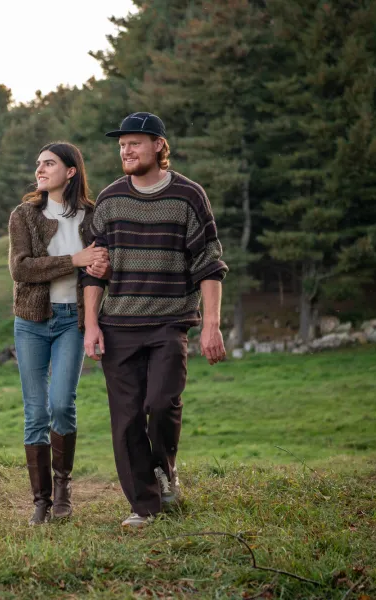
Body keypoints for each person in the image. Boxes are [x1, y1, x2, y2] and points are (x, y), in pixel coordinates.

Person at [81, 112, 228, 528]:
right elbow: (92, 269)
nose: (126, 151)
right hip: (118, 325)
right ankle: (144, 506)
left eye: (135, 143)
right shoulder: (110, 199)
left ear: (159, 145)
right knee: (126, 419)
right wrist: (91, 324)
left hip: (169, 322)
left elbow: (209, 264)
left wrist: (212, 324)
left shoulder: (189, 196)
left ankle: (164, 471)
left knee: (162, 404)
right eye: (122, 145)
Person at [8, 141, 106, 525]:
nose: (40, 169)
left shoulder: (93, 217)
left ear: (70, 171)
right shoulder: (24, 215)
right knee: (36, 411)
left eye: (49, 163)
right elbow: (21, 268)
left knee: (62, 404)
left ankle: (63, 486)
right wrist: (74, 260)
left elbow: (102, 265)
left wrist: (98, 265)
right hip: (31, 322)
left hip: (72, 321)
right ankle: (41, 501)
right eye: (38, 163)